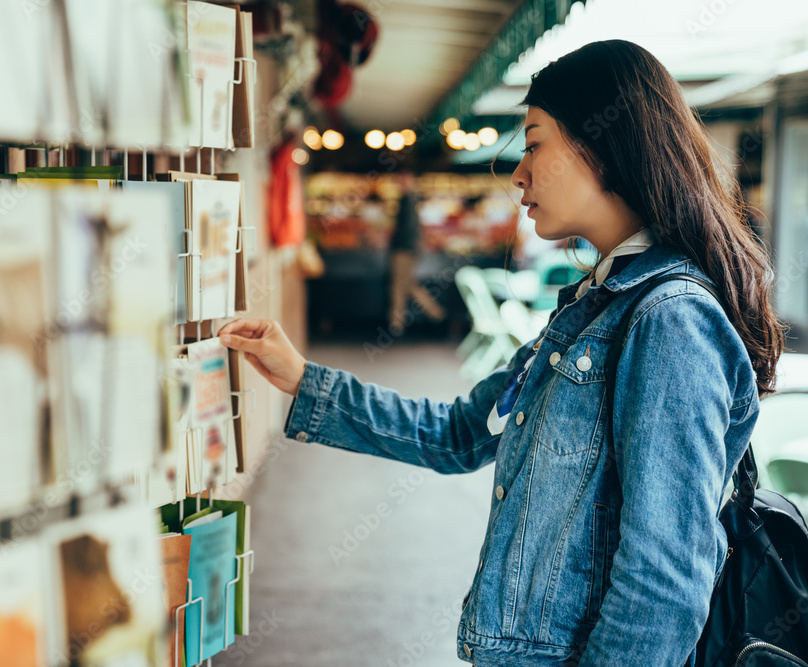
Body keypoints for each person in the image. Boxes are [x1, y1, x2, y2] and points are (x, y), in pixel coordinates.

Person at [218, 39, 786, 666]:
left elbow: (665, 580)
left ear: (603, 146)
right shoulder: (592, 306)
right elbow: (459, 433)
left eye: (535, 143)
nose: (518, 172)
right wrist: (301, 379)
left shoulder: (669, 321)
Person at [386, 170, 446, 331]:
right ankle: (435, 314)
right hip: (408, 248)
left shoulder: (408, 199)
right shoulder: (411, 199)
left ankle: (398, 322)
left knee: (400, 285)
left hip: (404, 249)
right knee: (407, 284)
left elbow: (406, 228)